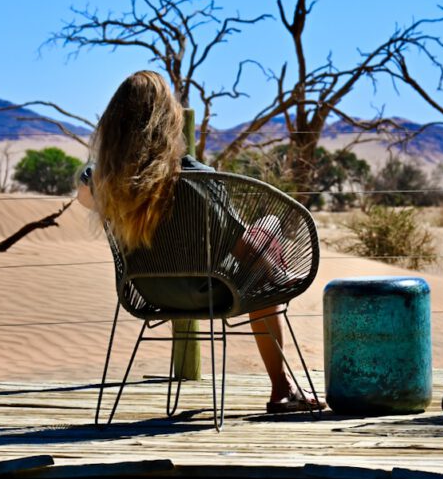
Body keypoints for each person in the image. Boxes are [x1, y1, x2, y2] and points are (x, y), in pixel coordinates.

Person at [77, 70, 320, 414]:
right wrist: (273, 268)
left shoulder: (107, 185)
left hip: (146, 291)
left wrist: (103, 169)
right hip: (212, 291)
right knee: (262, 249)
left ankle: (274, 282)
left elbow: (84, 191)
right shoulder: (199, 179)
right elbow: (238, 244)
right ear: (169, 122)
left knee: (259, 257)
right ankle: (281, 388)